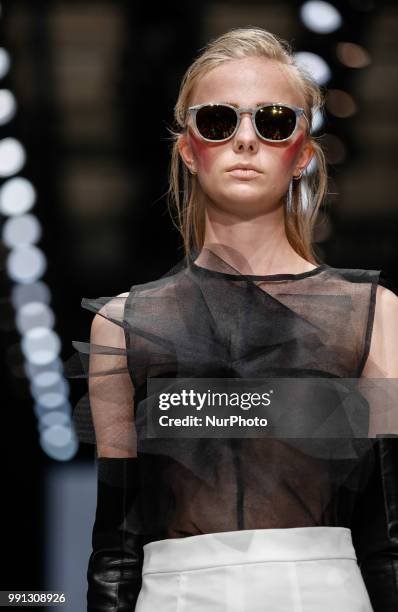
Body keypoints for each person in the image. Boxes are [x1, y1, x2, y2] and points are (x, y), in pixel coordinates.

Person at [66, 26, 398, 611]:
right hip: (175, 597)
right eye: (219, 121)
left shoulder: (374, 316)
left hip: (325, 596)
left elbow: (388, 532)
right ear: (189, 150)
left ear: (303, 155)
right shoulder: (123, 325)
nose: (246, 140)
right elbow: (117, 544)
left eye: (273, 122)